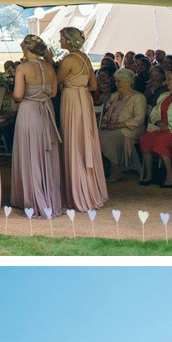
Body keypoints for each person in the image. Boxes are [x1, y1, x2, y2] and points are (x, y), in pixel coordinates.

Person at [54, 26, 108, 211]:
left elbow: (55, 80)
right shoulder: (85, 58)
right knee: (85, 139)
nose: (59, 41)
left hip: (72, 100)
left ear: (69, 40)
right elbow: (93, 85)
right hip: (84, 99)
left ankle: (77, 191)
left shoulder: (68, 60)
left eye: (61, 38)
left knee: (74, 140)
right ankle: (90, 188)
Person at [10, 34, 62, 218]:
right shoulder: (49, 67)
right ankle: (48, 196)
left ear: (26, 48)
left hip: (29, 111)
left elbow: (17, 95)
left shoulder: (23, 68)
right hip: (46, 111)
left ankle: (33, 198)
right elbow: (54, 92)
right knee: (45, 153)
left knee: (30, 152)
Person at [98, 67, 146, 181]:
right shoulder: (114, 95)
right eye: (116, 81)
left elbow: (139, 118)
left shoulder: (138, 97)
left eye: (119, 81)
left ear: (128, 82)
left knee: (104, 137)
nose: (116, 84)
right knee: (95, 134)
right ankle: (103, 168)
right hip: (112, 127)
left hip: (130, 129)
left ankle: (115, 170)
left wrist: (118, 125)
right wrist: (104, 121)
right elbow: (108, 113)